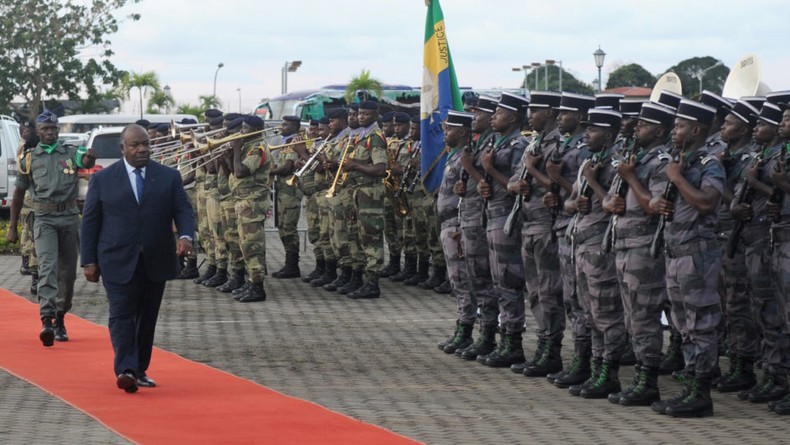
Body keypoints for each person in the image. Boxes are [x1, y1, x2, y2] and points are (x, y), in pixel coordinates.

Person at [80, 124, 195, 393]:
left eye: (145, 144)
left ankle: (140, 368)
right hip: (116, 259)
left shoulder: (168, 176)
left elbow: (183, 210)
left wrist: (186, 236)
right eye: (135, 145)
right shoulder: (103, 180)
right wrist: (89, 261)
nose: (142, 149)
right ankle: (126, 369)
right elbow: (90, 223)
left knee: (147, 316)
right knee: (121, 314)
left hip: (156, 259)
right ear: (123, 148)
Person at [649, 100, 724, 418]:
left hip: (697, 255)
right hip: (675, 252)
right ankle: (691, 386)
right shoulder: (679, 161)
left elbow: (707, 203)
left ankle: (701, 394)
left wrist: (678, 178)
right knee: (683, 326)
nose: (674, 130)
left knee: (701, 324)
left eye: (679, 126)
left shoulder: (709, 163)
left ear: (695, 129)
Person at [6, 111, 97, 346]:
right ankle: (46, 319)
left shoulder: (69, 152)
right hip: (44, 219)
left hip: (68, 218)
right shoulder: (29, 158)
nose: (49, 133)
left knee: (67, 274)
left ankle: (60, 317)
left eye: (53, 129)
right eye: (45, 129)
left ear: (58, 131)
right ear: (38, 132)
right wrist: (12, 227)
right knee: (47, 267)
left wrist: (89, 158)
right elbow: (18, 193)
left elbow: (85, 161)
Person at [507, 92, 565, 377]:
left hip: (546, 225)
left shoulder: (559, 144)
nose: (530, 114)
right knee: (535, 292)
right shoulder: (534, 142)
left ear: (551, 112)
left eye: (536, 110)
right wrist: (515, 185)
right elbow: (514, 180)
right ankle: (543, 345)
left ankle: (552, 350)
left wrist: (532, 170)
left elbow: (562, 187)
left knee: (549, 290)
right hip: (528, 224)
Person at [435, 110, 476, 353]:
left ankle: (466, 331)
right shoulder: (454, 156)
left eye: (449, 129)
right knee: (457, 281)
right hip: (448, 225)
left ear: (462, 132)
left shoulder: (466, 157)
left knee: (463, 281)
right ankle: (462, 328)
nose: (444, 134)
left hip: (457, 227)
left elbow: (468, 196)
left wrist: (461, 226)